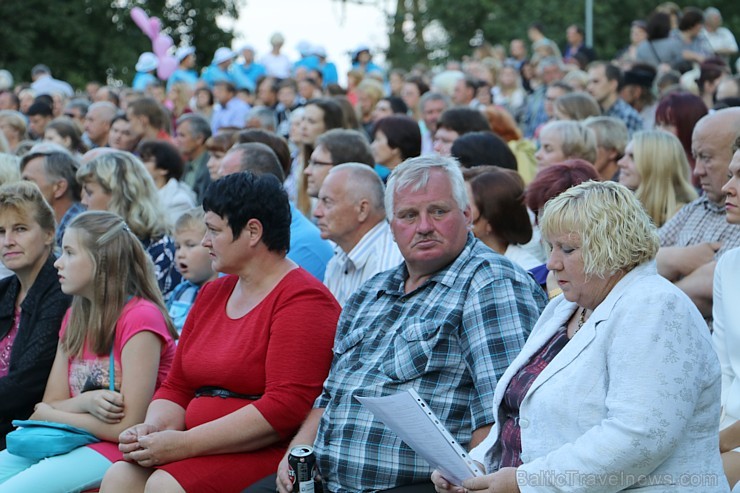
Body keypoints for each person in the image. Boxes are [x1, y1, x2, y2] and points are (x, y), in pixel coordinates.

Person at [252, 156, 546, 493]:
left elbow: (502, 412)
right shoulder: (371, 292)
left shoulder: (491, 283)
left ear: (466, 216)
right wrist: (296, 452)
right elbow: (331, 394)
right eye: (408, 215)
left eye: (438, 211)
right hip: (324, 478)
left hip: (421, 485)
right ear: (391, 228)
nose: (423, 226)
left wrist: (472, 481)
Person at [432, 180, 727, 492]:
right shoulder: (563, 307)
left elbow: (640, 436)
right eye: (550, 247)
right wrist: (474, 467)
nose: (551, 263)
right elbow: (518, 416)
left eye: (567, 249)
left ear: (613, 247)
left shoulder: (656, 307)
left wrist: (525, 482)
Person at [100, 172, 340, 492]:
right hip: (196, 443)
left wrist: (184, 444)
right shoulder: (213, 293)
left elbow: (285, 408)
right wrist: (152, 429)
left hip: (266, 451)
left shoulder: (304, 300)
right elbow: (178, 385)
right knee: (120, 476)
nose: (205, 241)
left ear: (253, 231)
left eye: (213, 230)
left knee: (164, 485)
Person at [0, 211, 177, 492]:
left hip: (117, 449)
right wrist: (84, 403)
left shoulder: (141, 317)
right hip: (70, 437)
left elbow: (127, 427)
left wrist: (53, 412)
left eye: (69, 253)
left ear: (102, 261)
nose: (58, 262)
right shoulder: (75, 315)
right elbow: (49, 401)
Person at [0, 182, 71, 448]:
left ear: (49, 233)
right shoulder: (5, 290)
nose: (8, 241)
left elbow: (28, 383)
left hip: (26, 425)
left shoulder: (62, 292)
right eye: (1, 231)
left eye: (20, 229)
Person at [656, 108, 740, 317]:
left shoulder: (735, 217)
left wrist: (657, 291)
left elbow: (716, 288)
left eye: (707, 158)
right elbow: (631, 265)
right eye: (696, 157)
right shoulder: (695, 208)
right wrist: (678, 258)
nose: (697, 170)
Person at [218, 143, 334, 282]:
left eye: (226, 184)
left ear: (254, 185)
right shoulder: (241, 230)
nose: (219, 192)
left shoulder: (302, 245)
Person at [76, 151, 181, 299]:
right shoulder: (92, 242)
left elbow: (152, 314)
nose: (84, 201)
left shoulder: (162, 252)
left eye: (89, 192)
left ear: (116, 196)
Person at [314, 163, 403, 306]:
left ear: (362, 209)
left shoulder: (387, 263)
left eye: (327, 202)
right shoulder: (339, 258)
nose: (316, 212)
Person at [714, 136, 740, 491]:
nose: (726, 187)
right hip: (725, 427)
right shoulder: (730, 266)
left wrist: (715, 444)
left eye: (739, 176)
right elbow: (720, 368)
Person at [463, 167, 539, 271]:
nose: (458, 209)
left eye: (466, 203)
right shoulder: (458, 258)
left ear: (491, 219)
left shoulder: (528, 270)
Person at [618, 129, 697, 227]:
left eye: (632, 157)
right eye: (624, 155)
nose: (620, 163)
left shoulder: (686, 218)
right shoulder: (621, 209)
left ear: (657, 165)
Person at [19, 142, 84, 248]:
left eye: (28, 182)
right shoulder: (56, 225)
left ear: (59, 188)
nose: (20, 190)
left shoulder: (79, 230)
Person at [166, 207, 217, 335]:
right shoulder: (179, 292)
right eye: (177, 247)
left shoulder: (229, 291)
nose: (180, 254)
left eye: (190, 245)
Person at [137, 140, 196, 228]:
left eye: (146, 160)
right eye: (139, 159)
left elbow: (172, 234)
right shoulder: (139, 191)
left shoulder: (179, 201)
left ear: (164, 169)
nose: (138, 164)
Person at [654, 92, 708, 185]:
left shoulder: (707, 166)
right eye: (658, 124)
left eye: (668, 125)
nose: (660, 131)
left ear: (688, 125)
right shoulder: (655, 162)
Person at [587, 62, 643, 136]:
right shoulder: (593, 113)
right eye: (588, 82)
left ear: (613, 84)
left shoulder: (627, 116)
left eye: (596, 81)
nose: (589, 88)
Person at [175, 113, 212, 204]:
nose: (177, 140)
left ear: (199, 138)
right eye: (177, 135)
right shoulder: (185, 164)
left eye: (182, 135)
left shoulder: (211, 167)